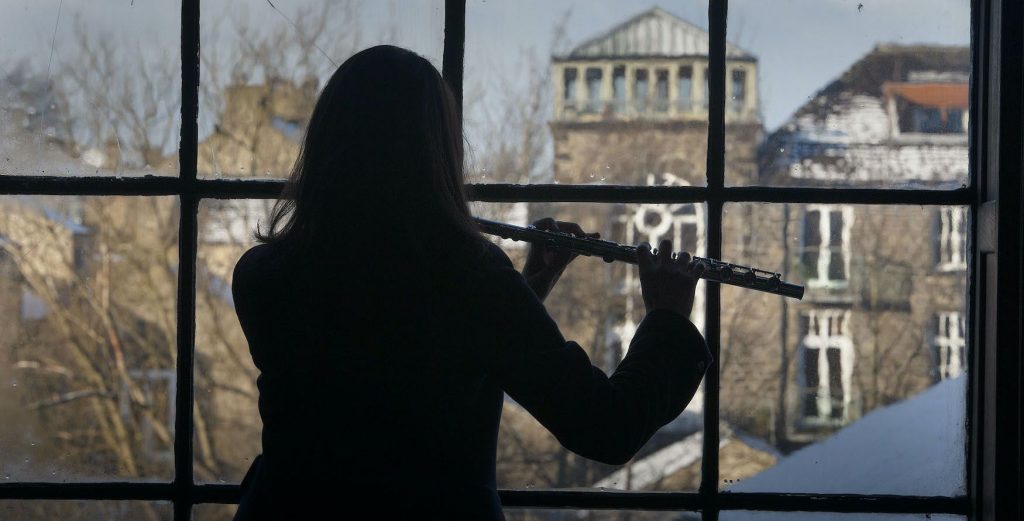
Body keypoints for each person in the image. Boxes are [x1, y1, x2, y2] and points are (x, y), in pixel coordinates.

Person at [230, 45, 711, 521]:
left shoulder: (263, 275)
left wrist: (525, 290)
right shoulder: (471, 283)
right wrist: (666, 318)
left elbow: (401, 354)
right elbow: (606, 427)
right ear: (436, 153)